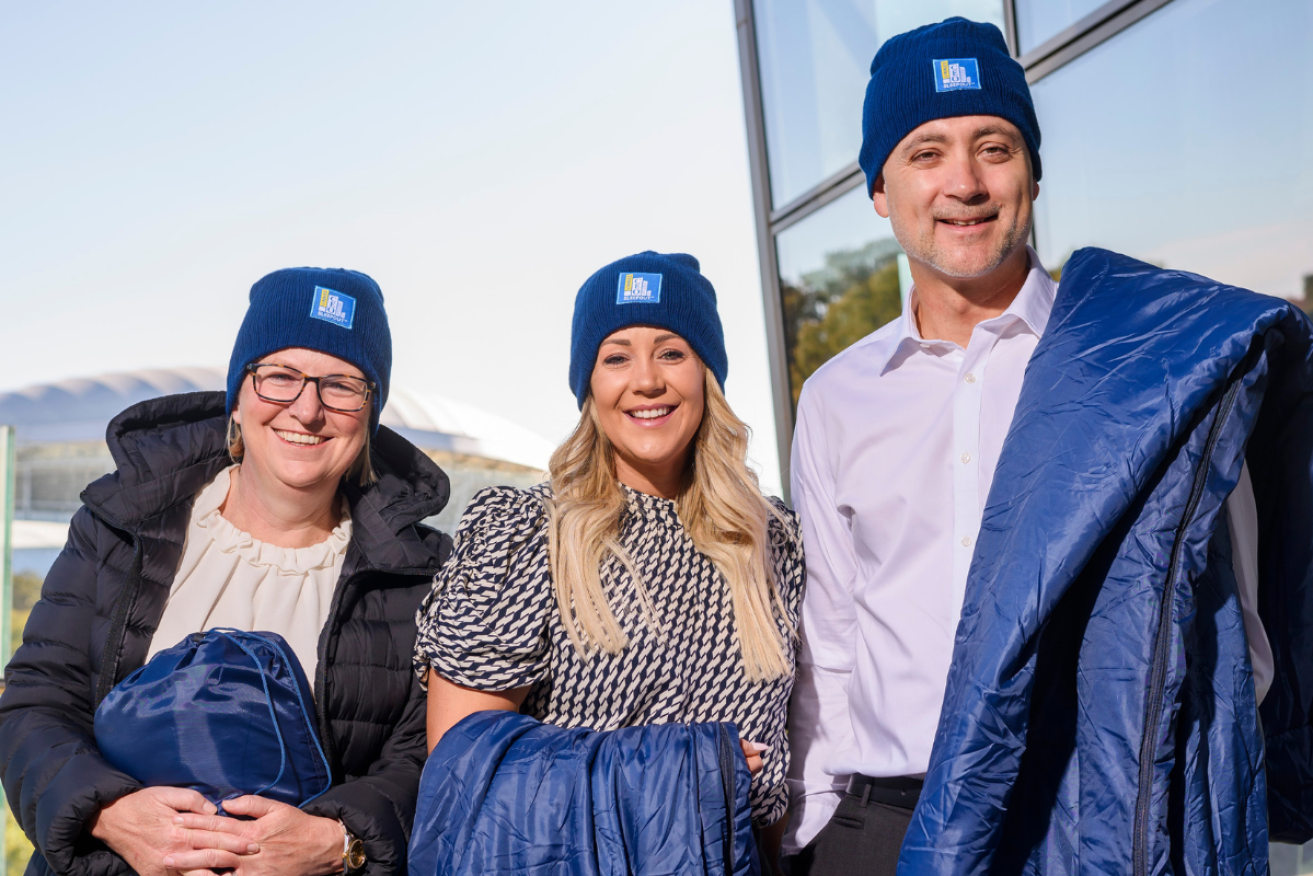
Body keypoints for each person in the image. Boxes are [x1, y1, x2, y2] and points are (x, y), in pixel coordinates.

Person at [784, 17, 1312, 876]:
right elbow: (831, 635)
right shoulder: (838, 395)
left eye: (993, 146)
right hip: (888, 822)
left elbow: (1235, 630)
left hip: (1079, 823)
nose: (964, 181)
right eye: (926, 153)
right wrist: (812, 831)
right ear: (879, 189)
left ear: (1032, 168)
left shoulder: (1149, 365)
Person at [0, 267, 452, 876]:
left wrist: (337, 842)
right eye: (279, 377)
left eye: (342, 385)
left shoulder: (424, 574)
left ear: (370, 413)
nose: (308, 409)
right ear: (238, 394)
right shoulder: (123, 522)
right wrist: (106, 812)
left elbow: (427, 755)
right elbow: (36, 701)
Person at [414, 251, 805, 860]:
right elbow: (463, 774)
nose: (647, 380)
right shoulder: (527, 535)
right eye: (616, 356)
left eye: (672, 352)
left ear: (707, 373)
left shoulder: (770, 537)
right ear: (589, 383)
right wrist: (685, 770)